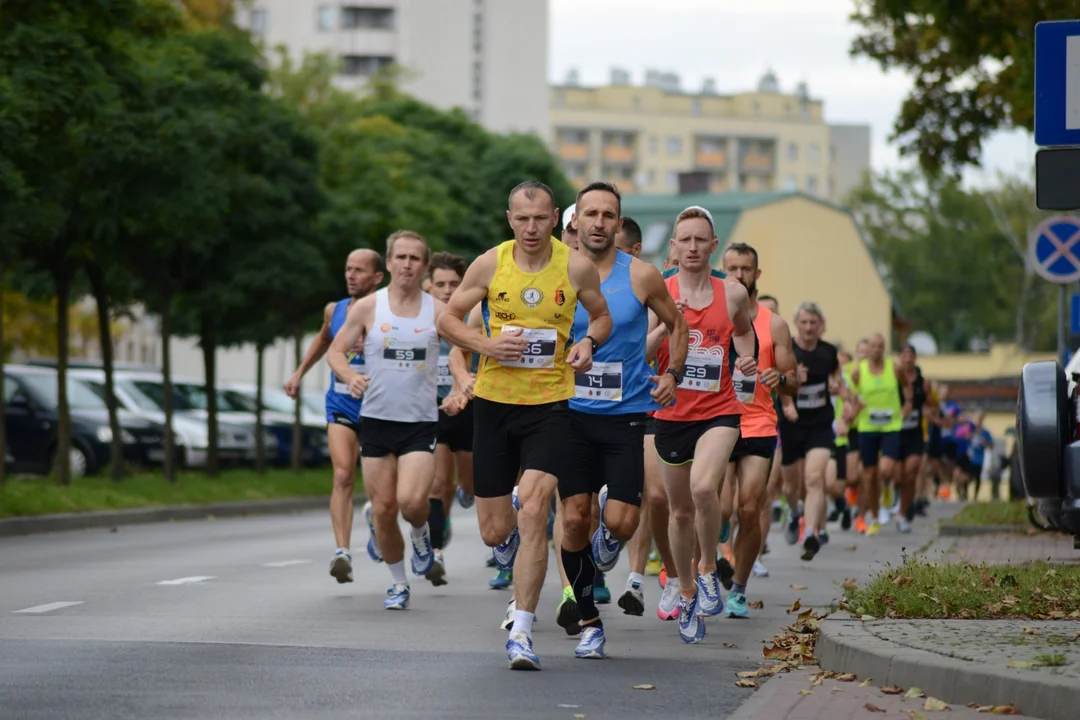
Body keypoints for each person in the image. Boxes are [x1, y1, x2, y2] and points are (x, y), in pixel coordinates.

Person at [435, 180, 612, 671]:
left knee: (535, 509)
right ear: (509, 219)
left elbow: (600, 317)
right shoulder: (490, 264)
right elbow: (447, 320)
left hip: (551, 404)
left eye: (540, 218)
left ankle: (522, 632)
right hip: (493, 404)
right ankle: (507, 535)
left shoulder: (575, 265)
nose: (531, 227)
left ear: (556, 218)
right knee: (495, 533)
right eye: (521, 219)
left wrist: (587, 344)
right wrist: (484, 345)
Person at [561, 183, 687, 659]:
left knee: (622, 520)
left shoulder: (642, 275)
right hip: (569, 414)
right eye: (590, 213)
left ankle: (601, 552)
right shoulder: (558, 274)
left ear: (619, 224)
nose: (598, 222)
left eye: (607, 215)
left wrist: (672, 374)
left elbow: (678, 325)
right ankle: (590, 622)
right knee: (573, 518)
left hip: (627, 415)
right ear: (574, 222)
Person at [650, 206, 757, 644]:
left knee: (702, 489)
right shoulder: (659, 291)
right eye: (685, 240)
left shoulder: (731, 293)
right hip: (671, 412)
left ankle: (709, 567)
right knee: (678, 512)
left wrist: (746, 360)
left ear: (714, 246)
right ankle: (688, 591)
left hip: (720, 409)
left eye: (701, 240)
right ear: (673, 247)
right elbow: (640, 352)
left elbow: (744, 331)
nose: (693, 248)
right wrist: (667, 324)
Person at [326, 231, 445, 610]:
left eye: (414, 258)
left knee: (411, 502)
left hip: (419, 421)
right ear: (389, 263)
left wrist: (463, 385)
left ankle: (422, 534)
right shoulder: (367, 308)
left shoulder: (439, 310)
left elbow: (463, 351)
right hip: (376, 419)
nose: (407, 264)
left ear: (424, 266)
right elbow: (335, 352)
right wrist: (350, 376)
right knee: (382, 509)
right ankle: (398, 582)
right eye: (400, 257)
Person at [284, 248, 384, 584]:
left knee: (383, 489)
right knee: (342, 475)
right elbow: (324, 340)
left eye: (359, 270)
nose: (351, 275)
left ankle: (377, 518)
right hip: (341, 403)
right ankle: (342, 550)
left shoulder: (389, 310)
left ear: (377, 278)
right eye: (348, 269)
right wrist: (298, 373)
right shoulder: (335, 309)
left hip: (381, 406)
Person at [718, 243, 798, 617]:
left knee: (748, 508)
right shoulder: (711, 315)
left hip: (757, 421)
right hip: (715, 419)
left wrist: (778, 377)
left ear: (756, 274)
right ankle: (708, 563)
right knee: (717, 507)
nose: (738, 275)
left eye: (745, 269)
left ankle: (737, 588)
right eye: (731, 267)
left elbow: (793, 380)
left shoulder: (774, 324)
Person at [425, 252, 477, 585]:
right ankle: (435, 550)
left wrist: (462, 391)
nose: (446, 290)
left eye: (454, 284)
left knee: (468, 486)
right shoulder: (417, 319)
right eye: (440, 284)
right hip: (431, 409)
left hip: (468, 408)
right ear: (428, 286)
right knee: (438, 483)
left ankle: (466, 491)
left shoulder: (472, 317)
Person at [779, 302, 844, 560]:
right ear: (796, 324)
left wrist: (836, 384)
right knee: (790, 487)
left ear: (820, 325)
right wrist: (795, 384)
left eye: (813, 323)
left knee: (815, 479)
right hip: (792, 423)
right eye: (804, 322)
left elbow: (836, 375)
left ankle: (810, 534)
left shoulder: (828, 351)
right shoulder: (787, 350)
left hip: (819, 422)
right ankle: (795, 512)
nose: (808, 328)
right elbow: (776, 384)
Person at [845, 333, 913, 536]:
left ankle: (886, 490)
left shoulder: (894, 367)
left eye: (880, 346)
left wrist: (908, 403)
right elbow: (852, 392)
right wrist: (855, 407)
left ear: (884, 348)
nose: (876, 349)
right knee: (869, 474)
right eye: (873, 346)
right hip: (867, 426)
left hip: (891, 425)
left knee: (886, 469)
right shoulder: (860, 370)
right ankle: (874, 516)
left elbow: (907, 385)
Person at [896, 343, 933, 532]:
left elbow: (930, 404)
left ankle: (903, 514)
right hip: (895, 432)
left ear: (915, 359)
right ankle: (895, 498)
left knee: (911, 473)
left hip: (915, 433)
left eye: (911, 355)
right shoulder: (893, 380)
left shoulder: (923, 382)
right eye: (904, 355)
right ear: (899, 358)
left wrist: (930, 409)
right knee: (896, 475)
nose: (907, 359)